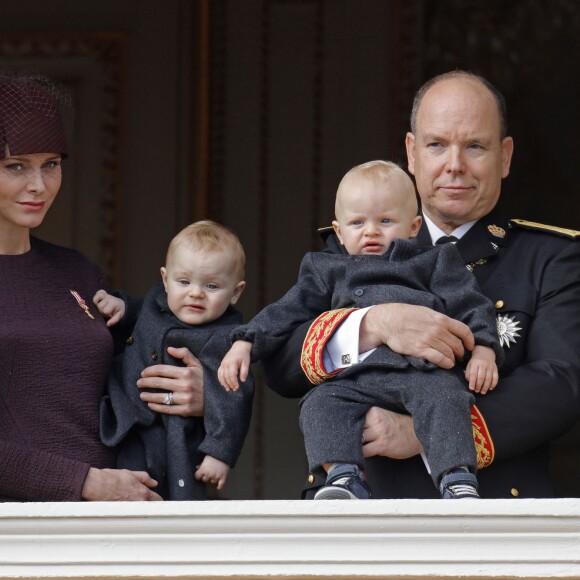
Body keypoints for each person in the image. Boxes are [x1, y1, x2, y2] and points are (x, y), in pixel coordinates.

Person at [261, 70, 580, 499]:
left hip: (494, 517)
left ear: (505, 157)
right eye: (437, 144)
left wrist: (427, 433)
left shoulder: (551, 257)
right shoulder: (357, 245)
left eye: (475, 146)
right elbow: (281, 362)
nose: (455, 164)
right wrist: (374, 323)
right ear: (411, 153)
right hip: (361, 513)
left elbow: (561, 384)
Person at [220, 161, 502, 499]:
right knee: (320, 403)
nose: (370, 231)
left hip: (422, 372)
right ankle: (343, 477)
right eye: (357, 222)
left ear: (413, 227)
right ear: (339, 232)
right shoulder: (325, 268)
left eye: (385, 221)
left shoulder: (435, 260)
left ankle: (457, 479)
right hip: (355, 378)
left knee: (448, 397)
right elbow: (286, 310)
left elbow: (471, 305)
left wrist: (484, 348)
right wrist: (246, 342)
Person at [0, 72, 202, 502]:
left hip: (110, 521)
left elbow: (130, 385)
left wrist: (201, 396)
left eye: (50, 165)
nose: (38, 185)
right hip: (15, 531)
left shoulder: (77, 272)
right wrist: (83, 482)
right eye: (15, 166)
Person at [94, 221, 254, 500]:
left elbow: (235, 397)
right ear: (165, 280)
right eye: (184, 281)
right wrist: (120, 305)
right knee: (126, 492)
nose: (195, 293)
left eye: (212, 285)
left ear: (236, 292)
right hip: (125, 423)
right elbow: (137, 310)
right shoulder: (156, 302)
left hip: (178, 440)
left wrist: (220, 453)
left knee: (178, 498)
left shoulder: (228, 339)